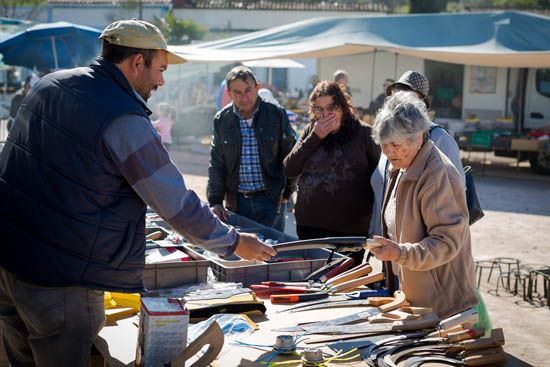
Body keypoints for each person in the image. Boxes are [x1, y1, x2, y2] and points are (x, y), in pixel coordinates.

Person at [0, 20, 276, 367]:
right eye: (159, 69)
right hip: (60, 281)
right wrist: (234, 242)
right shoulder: (123, 118)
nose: (161, 81)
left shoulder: (49, 85)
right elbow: (176, 204)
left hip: (9, 262)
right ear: (136, 63)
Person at [368, 92, 478, 320]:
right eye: (384, 145)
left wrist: (399, 253)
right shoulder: (402, 164)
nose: (388, 152)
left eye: (395, 145)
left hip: (442, 303)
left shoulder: (436, 175)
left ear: (418, 138)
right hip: (415, 291)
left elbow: (446, 243)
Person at [283, 81, 380, 266]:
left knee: (344, 286)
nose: (325, 115)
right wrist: (315, 137)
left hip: (350, 231)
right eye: (319, 109)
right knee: (312, 282)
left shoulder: (364, 134)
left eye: (331, 108)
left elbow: (380, 180)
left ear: (343, 106)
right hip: (310, 226)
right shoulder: (311, 131)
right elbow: (289, 169)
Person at [370, 70, 465, 239]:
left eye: (407, 97)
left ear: (422, 104)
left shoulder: (439, 138)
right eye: (395, 95)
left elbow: (454, 195)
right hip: (387, 244)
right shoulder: (388, 137)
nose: (399, 102)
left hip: (420, 251)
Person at [207, 66, 297, 232]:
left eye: (248, 90)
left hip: (271, 200)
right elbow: (217, 163)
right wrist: (215, 201)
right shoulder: (222, 120)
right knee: (242, 254)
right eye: (237, 92)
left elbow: (291, 157)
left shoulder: (276, 114)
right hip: (237, 203)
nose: (244, 97)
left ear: (257, 88)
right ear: (229, 93)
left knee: (273, 253)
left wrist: (286, 194)